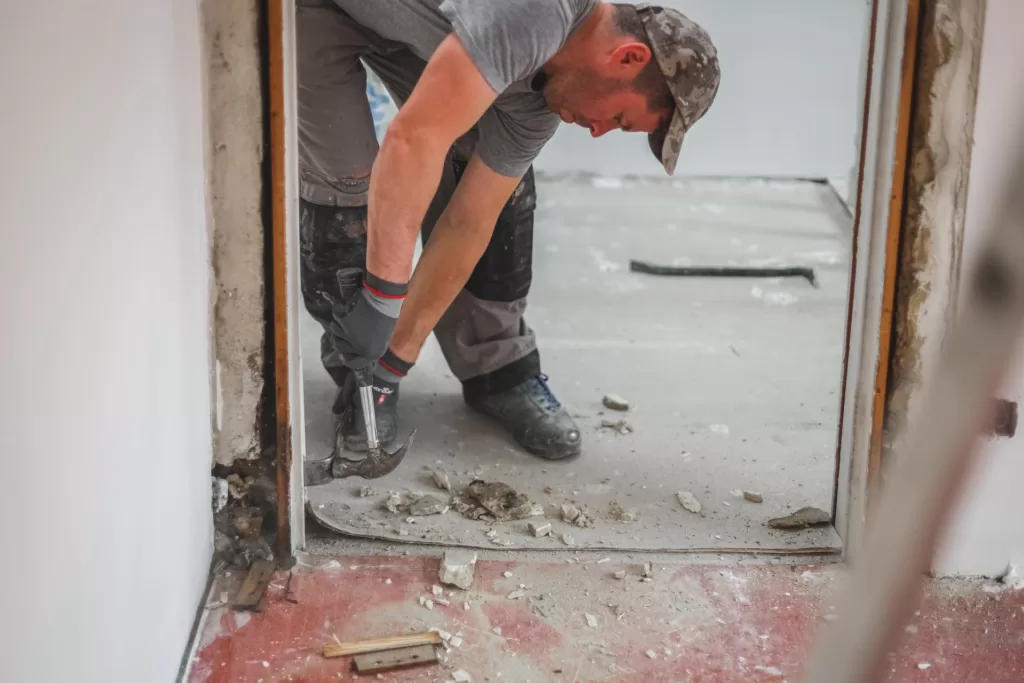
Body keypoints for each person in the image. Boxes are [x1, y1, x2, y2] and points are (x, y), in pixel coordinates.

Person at [297, 0, 720, 465]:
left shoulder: (540, 108)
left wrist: (395, 360)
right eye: (619, 119)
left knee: (483, 163)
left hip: (418, 23)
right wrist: (381, 296)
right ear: (627, 58)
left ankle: (421, 371)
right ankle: (355, 363)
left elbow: (467, 223)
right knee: (345, 178)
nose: (598, 132)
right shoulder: (537, 13)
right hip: (320, 10)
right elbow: (413, 139)